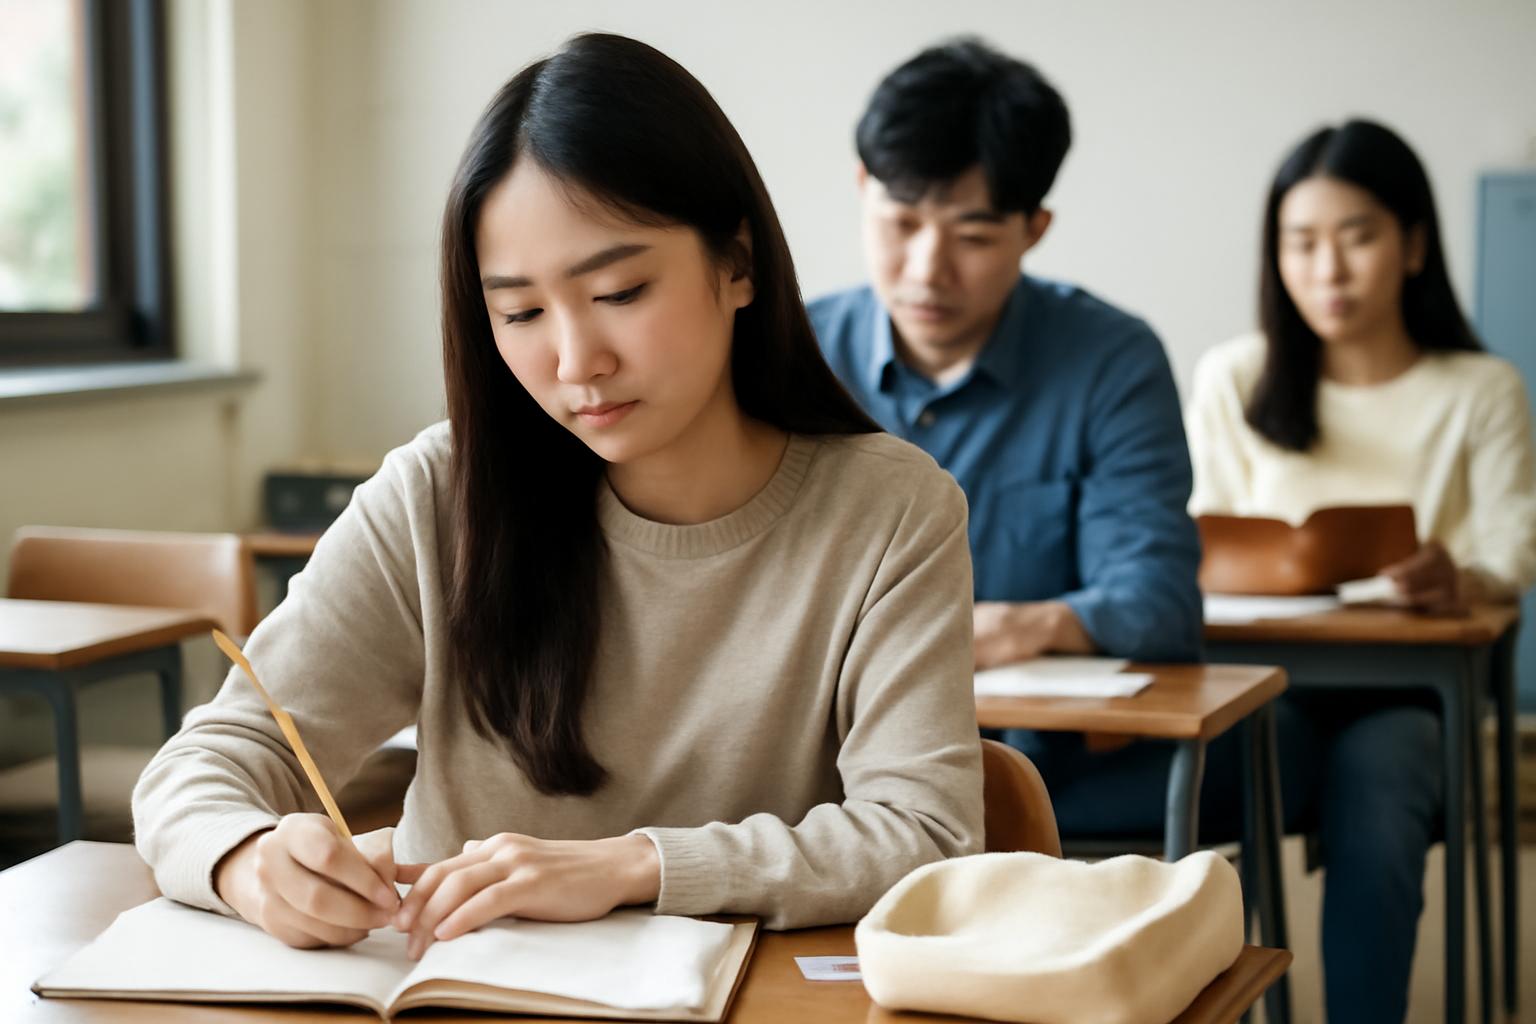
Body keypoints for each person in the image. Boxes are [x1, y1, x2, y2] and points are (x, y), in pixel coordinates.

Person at [132, 32, 983, 960]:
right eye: (522, 313)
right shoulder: (439, 494)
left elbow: (926, 834)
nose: (577, 362)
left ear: (737, 263)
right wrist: (249, 858)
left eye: (618, 290)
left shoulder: (891, 510)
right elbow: (208, 764)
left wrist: (632, 866)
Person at [1186, 118, 1536, 1022]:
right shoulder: (1235, 378)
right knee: (1251, 766)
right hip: (1268, 686)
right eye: (1301, 243)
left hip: (1415, 694)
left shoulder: (1479, 387)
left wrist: (1461, 579)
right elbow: (1196, 545)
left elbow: (1513, 554)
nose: (1328, 271)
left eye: (1359, 237)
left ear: (1414, 244)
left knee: (1380, 786)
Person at [808, 38, 1202, 808]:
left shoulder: (1110, 361)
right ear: (862, 188)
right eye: (902, 221)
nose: (927, 269)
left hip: (1047, 769)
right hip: (827, 772)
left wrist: (1017, 626)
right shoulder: (792, 355)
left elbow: (1157, 601)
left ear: (1035, 228)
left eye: (975, 236)